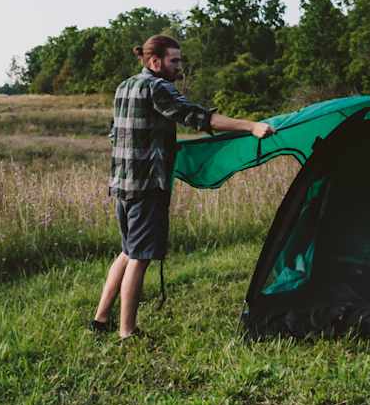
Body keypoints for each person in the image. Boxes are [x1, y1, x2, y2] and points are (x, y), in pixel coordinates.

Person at [91, 34, 274, 339]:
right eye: (174, 60)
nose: (179, 66)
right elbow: (197, 117)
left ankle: (100, 319)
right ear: (155, 61)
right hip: (146, 186)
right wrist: (251, 126)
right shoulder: (158, 87)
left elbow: (116, 134)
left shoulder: (124, 86)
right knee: (139, 258)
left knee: (127, 251)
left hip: (122, 184)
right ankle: (127, 333)